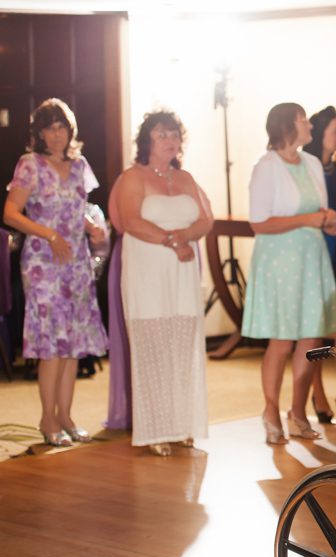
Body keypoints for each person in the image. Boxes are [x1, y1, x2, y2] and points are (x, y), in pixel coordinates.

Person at [3, 98, 108, 446]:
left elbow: (77, 208)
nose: (56, 134)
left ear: (70, 130)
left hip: (76, 261)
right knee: (51, 343)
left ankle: (66, 414)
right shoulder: (30, 165)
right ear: (39, 133)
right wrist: (49, 234)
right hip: (43, 261)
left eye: (61, 126)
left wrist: (91, 227)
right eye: (49, 128)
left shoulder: (79, 166)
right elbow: (11, 213)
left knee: (72, 344)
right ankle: (47, 417)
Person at [243, 103, 336, 444]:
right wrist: (307, 220)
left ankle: (298, 410)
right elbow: (258, 221)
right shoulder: (266, 166)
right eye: (303, 120)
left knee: (310, 338)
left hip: (310, 258)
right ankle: (270, 409)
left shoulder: (312, 163)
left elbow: (316, 211)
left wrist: (327, 219)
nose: (310, 126)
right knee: (282, 339)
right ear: (287, 124)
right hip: (279, 260)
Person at [117, 110, 213, 457]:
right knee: (152, 345)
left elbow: (206, 219)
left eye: (174, 134)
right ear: (147, 141)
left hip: (183, 272)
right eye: (162, 135)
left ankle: (182, 425)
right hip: (148, 271)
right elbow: (130, 221)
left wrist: (185, 237)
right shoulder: (133, 176)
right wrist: (174, 242)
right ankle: (154, 428)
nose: (170, 141)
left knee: (181, 342)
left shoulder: (185, 177)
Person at [303, 105, 336, 424]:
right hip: (317, 245)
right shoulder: (307, 164)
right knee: (317, 325)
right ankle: (316, 390)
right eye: (335, 130)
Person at [104, 176, 132, 430]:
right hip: (139, 256)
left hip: (179, 262)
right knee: (136, 337)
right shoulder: (129, 179)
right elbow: (124, 223)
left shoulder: (185, 179)